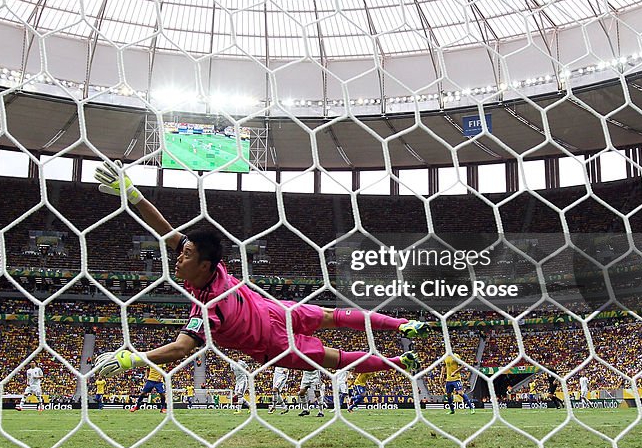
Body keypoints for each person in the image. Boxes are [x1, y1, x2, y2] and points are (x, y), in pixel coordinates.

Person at [90, 161, 427, 380]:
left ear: (204, 264)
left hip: (276, 320)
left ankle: (404, 325)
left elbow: (180, 350)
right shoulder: (209, 283)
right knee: (334, 354)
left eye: (185, 254)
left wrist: (129, 360)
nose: (177, 258)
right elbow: (165, 231)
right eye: (182, 253)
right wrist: (132, 195)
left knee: (333, 324)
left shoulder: (208, 307)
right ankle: (399, 361)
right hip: (274, 338)